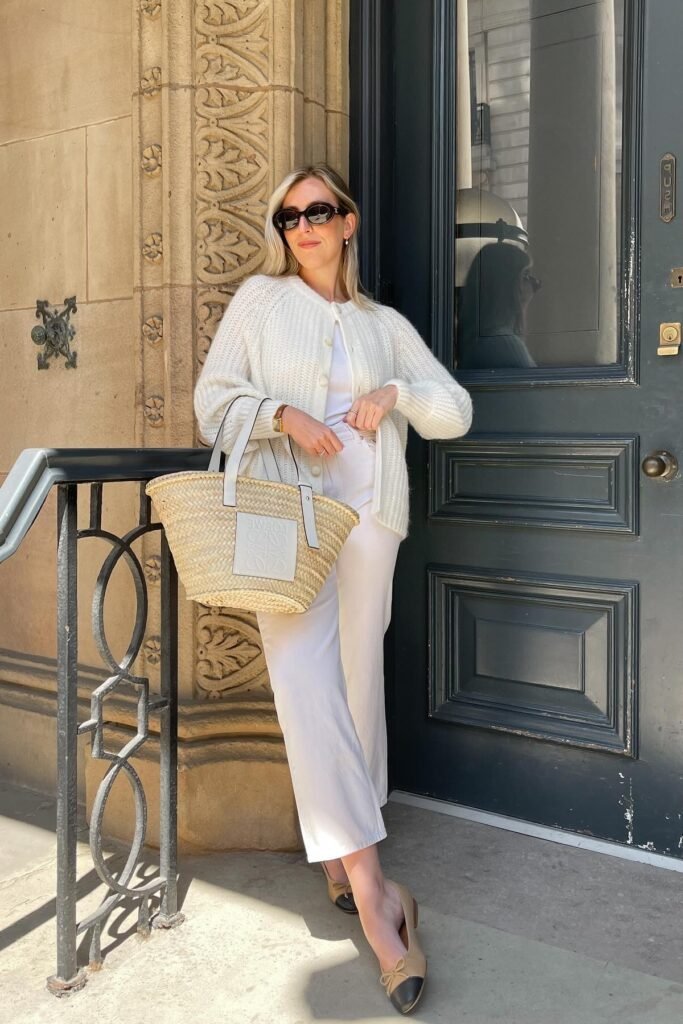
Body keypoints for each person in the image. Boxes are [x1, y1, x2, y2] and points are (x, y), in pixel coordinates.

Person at [194, 162, 472, 1015]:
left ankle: (338, 857)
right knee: (304, 688)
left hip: (370, 516)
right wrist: (282, 416)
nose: (302, 227)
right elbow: (211, 402)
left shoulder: (382, 324)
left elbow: (453, 408)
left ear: (348, 221)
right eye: (287, 218)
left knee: (353, 686)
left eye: (317, 212)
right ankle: (380, 900)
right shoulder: (259, 303)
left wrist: (396, 395)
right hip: (288, 516)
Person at [457, 241, 540, 369]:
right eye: (525, 275)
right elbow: (536, 387)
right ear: (507, 286)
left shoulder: (482, 340)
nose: (534, 283)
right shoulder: (503, 343)